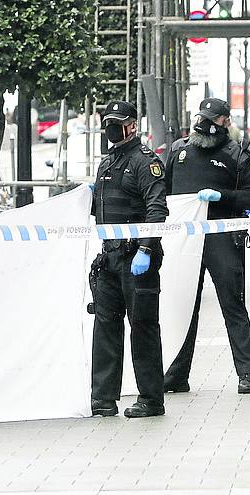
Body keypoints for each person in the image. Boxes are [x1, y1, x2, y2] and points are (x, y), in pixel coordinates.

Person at [164, 97, 250, 394]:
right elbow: (163, 191)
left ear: (225, 122)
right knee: (183, 307)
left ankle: (247, 374)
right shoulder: (178, 150)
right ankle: (176, 374)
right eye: (202, 117)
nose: (204, 123)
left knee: (233, 306)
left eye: (212, 118)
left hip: (222, 239)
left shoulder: (237, 154)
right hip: (185, 241)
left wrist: (223, 196)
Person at [90, 100, 169, 419]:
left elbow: (157, 209)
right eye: (107, 122)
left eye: (117, 122)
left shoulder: (144, 162)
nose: (111, 127)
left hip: (138, 257)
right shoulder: (107, 163)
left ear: (133, 126)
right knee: (105, 326)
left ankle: (151, 399)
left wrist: (146, 250)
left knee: (143, 328)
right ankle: (103, 398)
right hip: (109, 258)